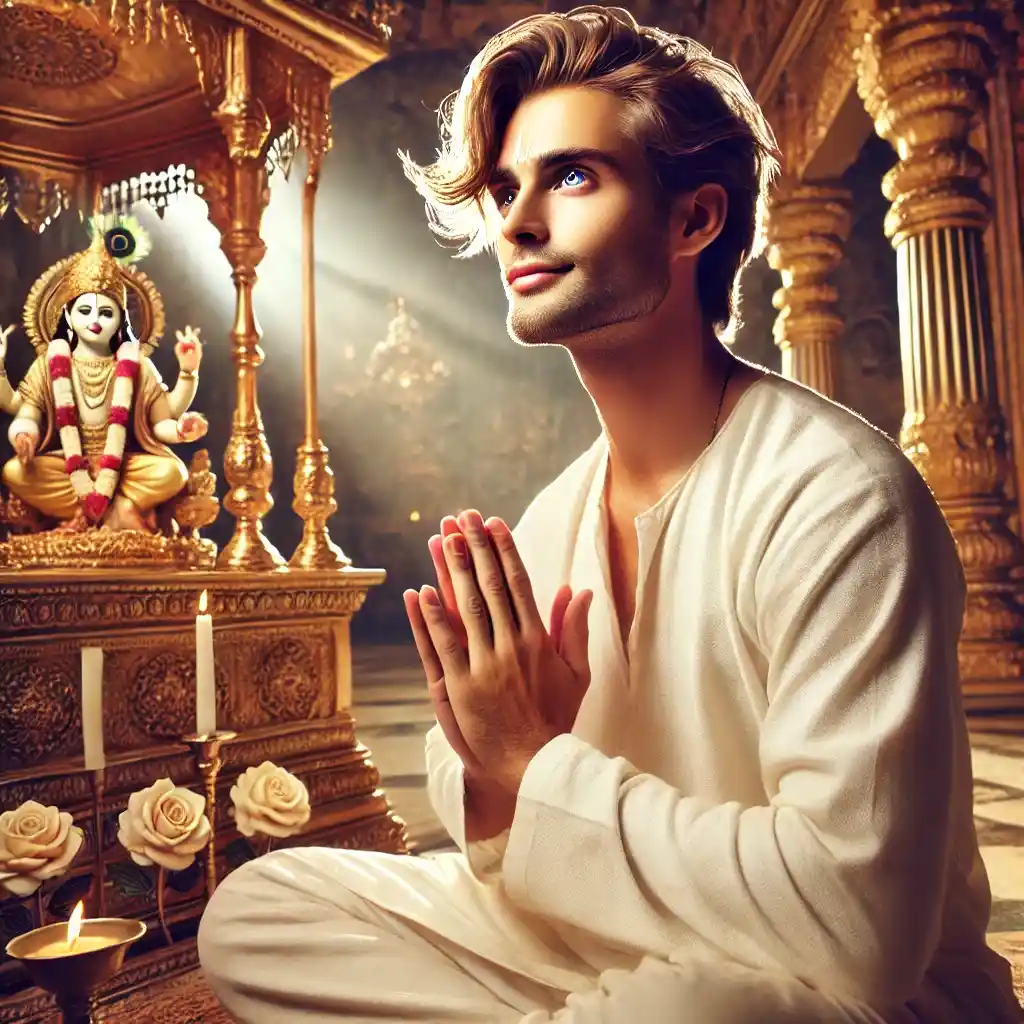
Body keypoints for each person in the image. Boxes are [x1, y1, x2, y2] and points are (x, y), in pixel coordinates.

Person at [197, 7, 1021, 1021]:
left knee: (688, 1011)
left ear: (693, 220)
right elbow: (498, 838)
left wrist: (533, 761)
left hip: (845, 996)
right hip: (595, 945)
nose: (517, 221)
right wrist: (498, 763)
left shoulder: (839, 497)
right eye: (506, 187)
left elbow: (855, 935)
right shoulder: (549, 521)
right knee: (262, 910)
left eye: (571, 176)